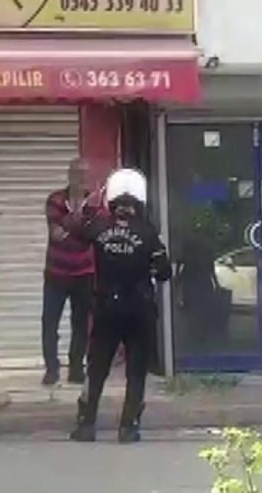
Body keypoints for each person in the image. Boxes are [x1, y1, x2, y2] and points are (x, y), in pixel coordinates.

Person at [64, 168, 172, 443]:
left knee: (97, 366)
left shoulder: (98, 227)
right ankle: (128, 427)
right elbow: (164, 272)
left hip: (106, 308)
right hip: (139, 309)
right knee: (136, 370)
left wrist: (88, 206)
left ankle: (86, 425)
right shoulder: (148, 233)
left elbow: (74, 231)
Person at [41, 159, 95, 386]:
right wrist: (76, 221)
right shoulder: (55, 200)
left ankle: (76, 369)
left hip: (84, 272)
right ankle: (51, 369)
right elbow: (56, 234)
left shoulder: (94, 203)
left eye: (85, 174)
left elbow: (93, 233)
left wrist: (72, 225)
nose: (81, 178)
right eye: (77, 173)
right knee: (50, 322)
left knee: (81, 323)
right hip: (57, 272)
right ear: (69, 175)